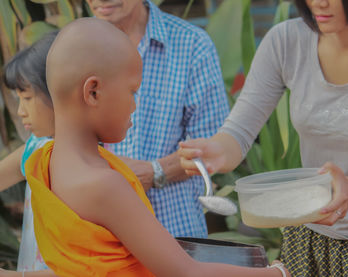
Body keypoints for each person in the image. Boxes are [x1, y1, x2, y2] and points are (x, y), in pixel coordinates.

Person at [22, 17, 289, 277]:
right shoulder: (103, 184)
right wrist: (276, 274)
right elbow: (185, 271)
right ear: (93, 92)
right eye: (132, 91)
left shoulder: (48, 162)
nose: (135, 105)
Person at [178, 0, 348, 276]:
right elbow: (238, 131)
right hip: (307, 239)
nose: (318, 2)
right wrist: (216, 152)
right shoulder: (287, 41)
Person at [85, 0, 230, 238]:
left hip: (172, 226)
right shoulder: (76, 47)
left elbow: (214, 143)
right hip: (96, 234)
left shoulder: (191, 45)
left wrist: (155, 172)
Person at [0, 31, 58, 273]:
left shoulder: (84, 169)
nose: (20, 111)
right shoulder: (38, 145)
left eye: (27, 97)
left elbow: (82, 268)